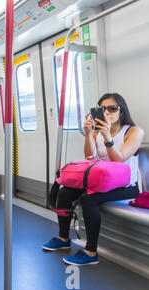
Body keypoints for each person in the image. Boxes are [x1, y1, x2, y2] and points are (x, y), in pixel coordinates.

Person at [42, 93, 144, 266]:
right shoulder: (97, 132)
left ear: (122, 111)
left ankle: (90, 251)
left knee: (89, 200)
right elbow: (90, 157)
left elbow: (119, 160)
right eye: (103, 109)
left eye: (112, 108)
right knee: (65, 191)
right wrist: (89, 134)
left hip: (126, 185)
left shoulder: (134, 131)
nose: (107, 113)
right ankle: (63, 237)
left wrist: (108, 137)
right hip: (102, 181)